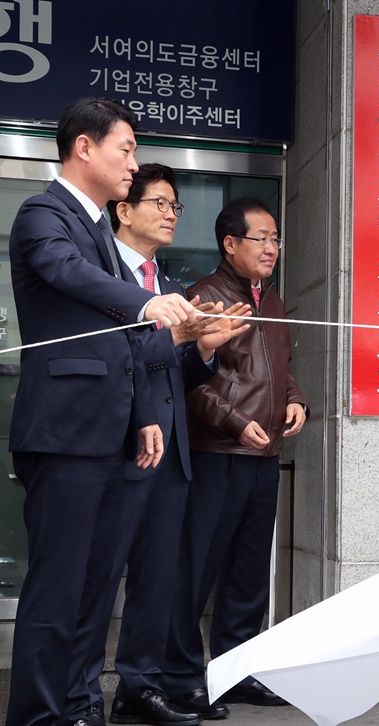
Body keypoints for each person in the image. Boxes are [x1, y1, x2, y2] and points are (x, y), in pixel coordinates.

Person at [6, 98, 197, 726]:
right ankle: (37, 716)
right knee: (57, 591)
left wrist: (145, 410)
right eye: (126, 149)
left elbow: (116, 341)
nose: (132, 163)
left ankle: (77, 705)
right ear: (84, 148)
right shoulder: (44, 214)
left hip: (112, 433)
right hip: (65, 433)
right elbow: (65, 275)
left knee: (93, 589)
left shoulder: (97, 230)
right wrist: (147, 303)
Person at [80, 164, 251, 726]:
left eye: (176, 206)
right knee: (97, 578)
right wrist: (174, 337)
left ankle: (140, 687)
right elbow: (113, 364)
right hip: (116, 446)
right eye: (160, 203)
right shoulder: (100, 280)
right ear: (123, 210)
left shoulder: (173, 288)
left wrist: (205, 348)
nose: (171, 214)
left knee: (158, 579)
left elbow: (176, 374)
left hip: (170, 452)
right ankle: (81, 697)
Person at [161, 197, 309, 718]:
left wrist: (295, 400)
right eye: (261, 238)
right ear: (230, 243)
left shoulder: (271, 298)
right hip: (217, 454)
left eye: (275, 239)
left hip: (264, 454)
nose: (271, 248)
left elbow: (280, 366)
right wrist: (233, 421)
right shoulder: (202, 296)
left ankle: (236, 671)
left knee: (249, 573)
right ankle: (181, 679)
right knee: (196, 570)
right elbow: (188, 383)